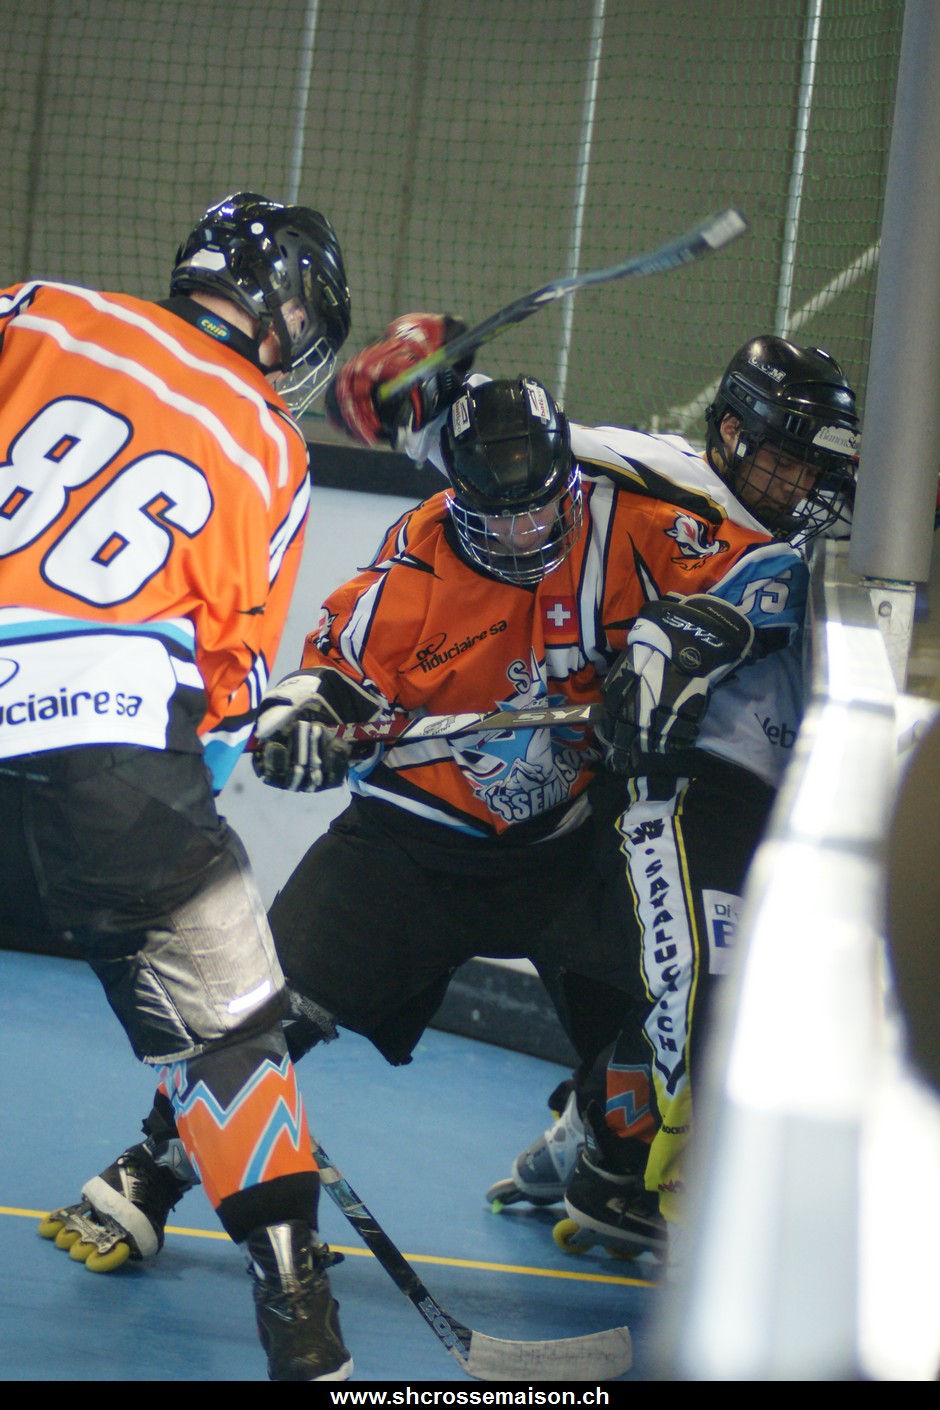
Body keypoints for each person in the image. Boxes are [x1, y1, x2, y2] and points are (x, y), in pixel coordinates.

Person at [38, 316, 854, 1298]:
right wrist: (305, 724)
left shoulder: (633, 515)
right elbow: (329, 676)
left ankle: (601, 1149)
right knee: (263, 1018)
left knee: (677, 1003)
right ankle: (154, 1167)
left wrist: (688, 642)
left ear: (569, 485)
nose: (520, 535)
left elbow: (774, 567)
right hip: (413, 847)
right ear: (456, 500)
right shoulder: (418, 564)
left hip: (565, 848)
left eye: (539, 513)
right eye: (493, 519)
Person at [8, 190, 357, 1381]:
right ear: (291, 321)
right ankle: (300, 1323)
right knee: (236, 1039)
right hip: (113, 763)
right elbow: (231, 679)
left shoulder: (39, 308)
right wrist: (228, 767)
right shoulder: (268, 440)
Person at [485, 335, 860, 1271]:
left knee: (744, 995)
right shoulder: (677, 480)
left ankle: (593, 1143)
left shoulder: (824, 543)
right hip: (687, 785)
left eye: (817, 461)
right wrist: (435, 397)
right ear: (731, 432)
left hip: (784, 813)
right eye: (788, 455)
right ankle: (655, 1179)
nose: (805, 479)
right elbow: (538, 442)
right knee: (707, 988)